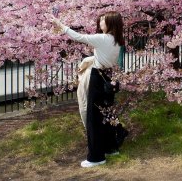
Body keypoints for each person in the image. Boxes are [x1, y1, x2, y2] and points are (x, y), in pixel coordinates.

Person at [52, 11, 126, 168]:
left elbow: (79, 37)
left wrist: (62, 26)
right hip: (108, 77)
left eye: (103, 21)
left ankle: (96, 157)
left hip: (98, 79)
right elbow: (104, 58)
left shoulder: (103, 38)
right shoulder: (117, 40)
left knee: (94, 118)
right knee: (106, 114)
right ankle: (111, 147)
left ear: (111, 23)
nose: (100, 23)